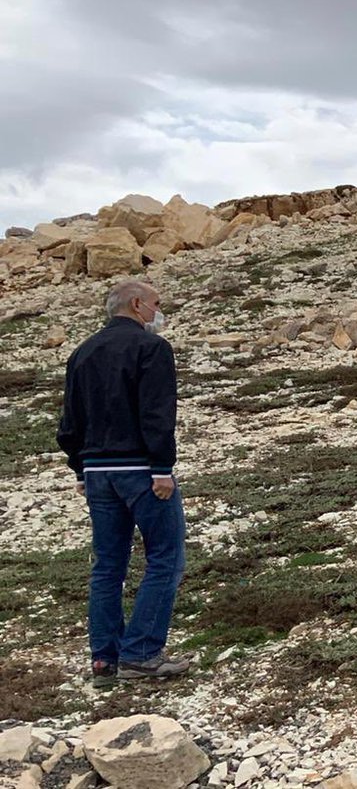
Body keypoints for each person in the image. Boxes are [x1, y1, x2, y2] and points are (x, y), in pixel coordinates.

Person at [57, 281, 189, 686]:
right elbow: (157, 412)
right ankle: (142, 653)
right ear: (137, 304)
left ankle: (104, 660)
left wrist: (80, 469)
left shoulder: (82, 352)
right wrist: (162, 467)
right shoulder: (152, 348)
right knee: (165, 557)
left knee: (108, 566)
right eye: (156, 304)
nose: (159, 311)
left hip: (97, 472)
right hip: (141, 469)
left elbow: (70, 421)